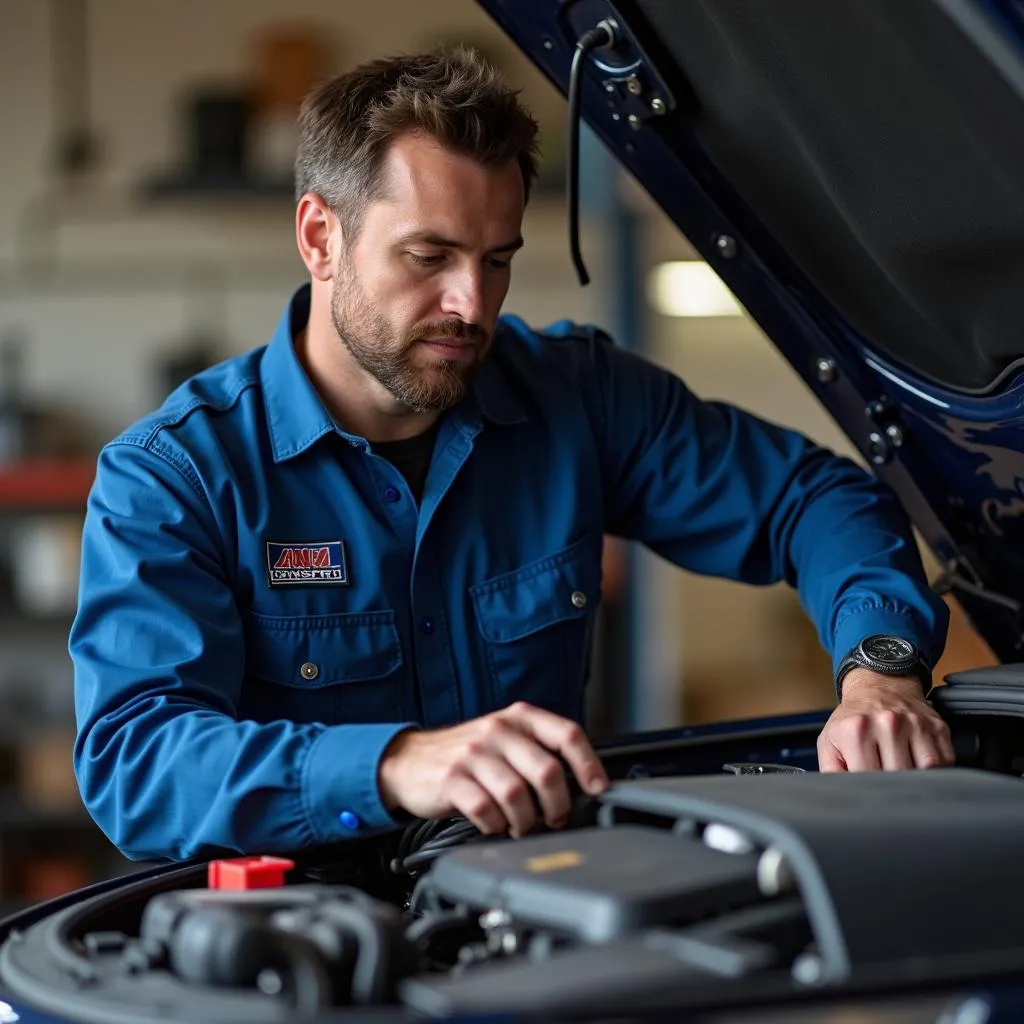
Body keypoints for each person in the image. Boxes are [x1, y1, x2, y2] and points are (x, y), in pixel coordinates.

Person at [71, 47, 955, 864]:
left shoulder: (579, 398)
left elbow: (815, 497)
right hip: (304, 951)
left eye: (497, 260)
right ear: (319, 238)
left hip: (538, 920)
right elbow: (135, 760)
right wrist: (395, 764)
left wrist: (879, 669)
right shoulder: (173, 476)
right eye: (430, 255)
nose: (470, 303)